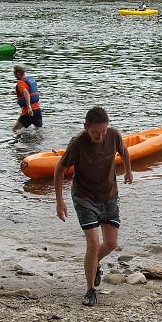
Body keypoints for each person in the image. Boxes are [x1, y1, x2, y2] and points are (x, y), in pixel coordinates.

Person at [54, 107, 133, 307]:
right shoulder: (78, 144)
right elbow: (59, 170)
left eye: (103, 132)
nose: (100, 136)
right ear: (86, 127)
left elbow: (124, 152)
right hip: (84, 196)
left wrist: (128, 172)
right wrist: (59, 201)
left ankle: (93, 263)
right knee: (93, 242)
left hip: (109, 195)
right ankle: (90, 290)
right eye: (95, 132)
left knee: (112, 243)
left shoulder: (113, 135)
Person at [12, 65, 42, 132]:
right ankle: (39, 142)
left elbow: (26, 93)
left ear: (18, 73)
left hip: (28, 112)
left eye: (15, 74)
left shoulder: (20, 83)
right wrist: (17, 93)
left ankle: (16, 142)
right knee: (38, 130)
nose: (15, 76)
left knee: (15, 130)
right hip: (37, 110)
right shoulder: (31, 80)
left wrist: (29, 107)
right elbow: (32, 92)